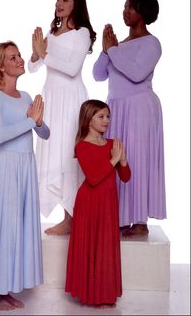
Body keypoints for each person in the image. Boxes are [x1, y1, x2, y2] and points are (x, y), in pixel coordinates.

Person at [0, 41, 50, 311]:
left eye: (19, 55)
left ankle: (6, 287)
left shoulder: (27, 97)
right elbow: (0, 135)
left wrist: (38, 122)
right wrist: (31, 120)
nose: (20, 60)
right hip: (5, 168)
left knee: (17, 228)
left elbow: (45, 133)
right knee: (4, 228)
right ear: (0, 66)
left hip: (24, 168)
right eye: (13, 57)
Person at [93, 0, 166, 238]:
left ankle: (140, 221)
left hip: (139, 108)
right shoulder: (118, 46)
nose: (126, 12)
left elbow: (136, 73)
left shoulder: (152, 44)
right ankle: (122, 217)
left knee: (137, 159)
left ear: (143, 12)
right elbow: (98, 75)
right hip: (116, 109)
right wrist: (106, 51)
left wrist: (112, 51)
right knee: (116, 160)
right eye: (125, 7)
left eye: (131, 8)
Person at [28, 0, 96, 235]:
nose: (59, 3)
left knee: (68, 152)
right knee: (52, 151)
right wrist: (36, 55)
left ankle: (71, 217)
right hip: (52, 98)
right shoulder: (52, 32)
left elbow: (71, 68)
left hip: (71, 100)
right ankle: (63, 215)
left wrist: (43, 54)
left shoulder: (82, 34)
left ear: (76, 3)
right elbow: (33, 67)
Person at [65, 99, 131, 307]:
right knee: (91, 246)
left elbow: (126, 177)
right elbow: (93, 178)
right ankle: (90, 294)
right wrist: (113, 160)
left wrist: (122, 161)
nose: (106, 120)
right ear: (88, 120)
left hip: (108, 204)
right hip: (89, 203)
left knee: (105, 247)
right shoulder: (82, 146)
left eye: (108, 116)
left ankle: (104, 293)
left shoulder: (113, 145)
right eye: (101, 116)